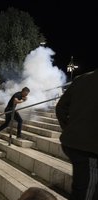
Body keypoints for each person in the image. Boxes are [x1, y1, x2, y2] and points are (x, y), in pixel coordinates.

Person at [55, 69, 98, 200]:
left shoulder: (82, 78)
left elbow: (60, 107)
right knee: (85, 193)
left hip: (75, 142)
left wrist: (69, 128)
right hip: (88, 148)